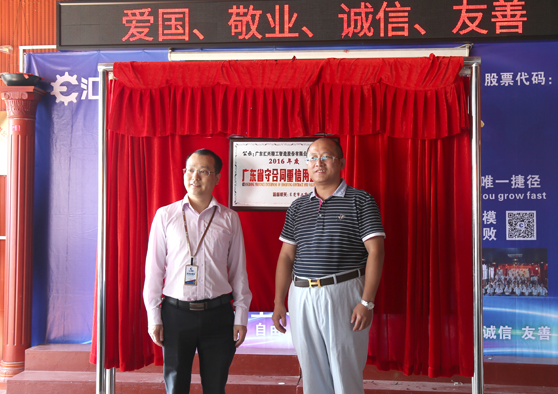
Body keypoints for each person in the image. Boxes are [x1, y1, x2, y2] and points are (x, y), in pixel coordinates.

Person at [272, 137, 386, 394]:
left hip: (343, 293)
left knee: (345, 371)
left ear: (341, 162)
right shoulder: (298, 207)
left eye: (326, 157)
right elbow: (286, 256)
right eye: (312, 158)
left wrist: (366, 302)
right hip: (301, 294)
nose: (318, 163)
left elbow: (376, 252)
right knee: (312, 372)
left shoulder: (361, 201)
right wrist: (279, 301)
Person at [143, 149, 252, 394]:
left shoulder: (229, 218)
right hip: (175, 314)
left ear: (217, 177)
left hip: (218, 316)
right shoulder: (165, 216)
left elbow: (238, 272)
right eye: (190, 170)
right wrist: (154, 317)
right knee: (176, 388)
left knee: (215, 387)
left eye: (203, 171)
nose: (195, 177)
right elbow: (153, 271)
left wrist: (241, 317)